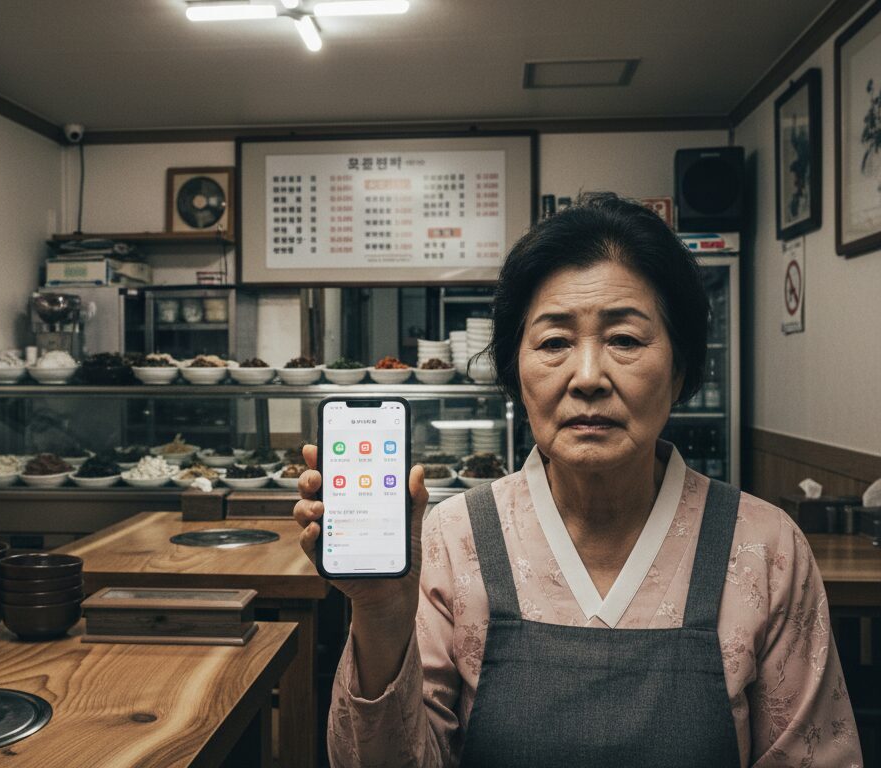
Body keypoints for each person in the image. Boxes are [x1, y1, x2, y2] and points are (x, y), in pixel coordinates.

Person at [293, 193, 862, 767]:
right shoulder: (451, 539)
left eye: (625, 340)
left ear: (682, 366)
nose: (587, 376)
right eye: (554, 342)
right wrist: (382, 613)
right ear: (516, 367)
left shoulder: (768, 549)